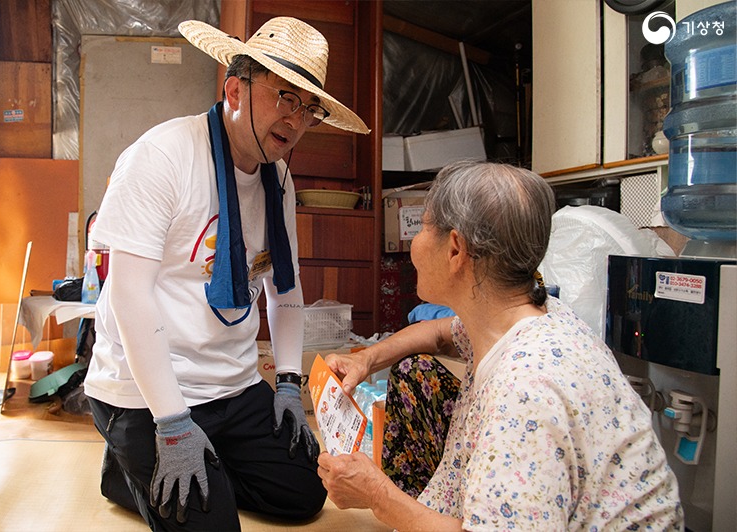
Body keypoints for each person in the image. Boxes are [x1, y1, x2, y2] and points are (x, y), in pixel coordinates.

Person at [82, 16, 369, 531]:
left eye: (309, 108)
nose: (296, 121)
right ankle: (130, 462)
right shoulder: (162, 156)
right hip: (148, 393)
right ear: (235, 89)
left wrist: (286, 383)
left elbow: (285, 293)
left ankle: (166, 470)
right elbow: (128, 295)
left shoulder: (278, 178)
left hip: (232, 387)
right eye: (285, 97)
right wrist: (172, 424)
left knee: (304, 495)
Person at [317, 161, 684, 531]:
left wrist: (377, 495)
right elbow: (439, 333)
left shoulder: (526, 390)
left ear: (456, 249)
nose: (415, 242)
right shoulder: (528, 313)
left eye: (426, 226)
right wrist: (367, 359)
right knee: (416, 369)